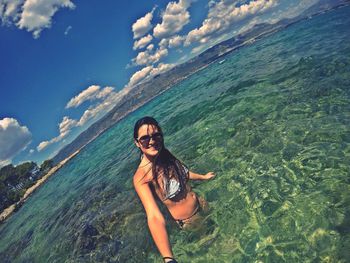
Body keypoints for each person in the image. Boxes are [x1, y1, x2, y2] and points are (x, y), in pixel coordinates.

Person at [133, 116, 215, 263]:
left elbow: (183, 173)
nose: (152, 141)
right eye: (145, 138)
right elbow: (153, 216)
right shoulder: (141, 177)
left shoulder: (164, 155)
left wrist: (203, 177)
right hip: (190, 221)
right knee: (217, 248)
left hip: (201, 204)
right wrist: (168, 258)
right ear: (137, 143)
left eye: (156, 135)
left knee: (220, 231)